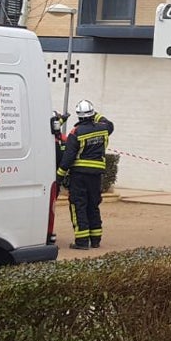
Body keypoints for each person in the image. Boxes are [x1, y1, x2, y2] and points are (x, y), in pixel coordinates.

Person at [57, 99, 115, 250]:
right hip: (96, 176)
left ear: (78, 116)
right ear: (92, 114)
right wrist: (96, 115)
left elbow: (68, 158)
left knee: (78, 206)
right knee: (93, 205)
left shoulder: (75, 133)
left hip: (79, 176)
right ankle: (95, 240)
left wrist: (59, 177)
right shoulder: (103, 129)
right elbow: (109, 123)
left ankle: (82, 242)